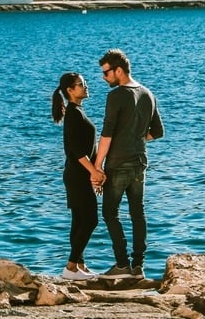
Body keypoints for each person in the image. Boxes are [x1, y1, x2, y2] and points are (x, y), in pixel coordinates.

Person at [92, 49, 164, 279]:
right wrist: (135, 138)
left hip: (118, 163)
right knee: (138, 213)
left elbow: (107, 134)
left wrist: (97, 166)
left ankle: (122, 265)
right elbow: (158, 132)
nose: (104, 78)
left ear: (119, 71)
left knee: (110, 213)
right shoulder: (147, 93)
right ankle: (139, 267)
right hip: (140, 162)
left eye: (106, 73)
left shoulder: (116, 96)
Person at [52, 72, 101, 281]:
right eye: (81, 84)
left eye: (85, 83)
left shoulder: (77, 112)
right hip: (77, 175)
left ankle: (79, 266)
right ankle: (71, 266)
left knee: (80, 220)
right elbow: (76, 150)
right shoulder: (73, 114)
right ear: (70, 91)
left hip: (79, 175)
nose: (86, 86)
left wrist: (94, 171)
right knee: (90, 220)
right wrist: (94, 172)